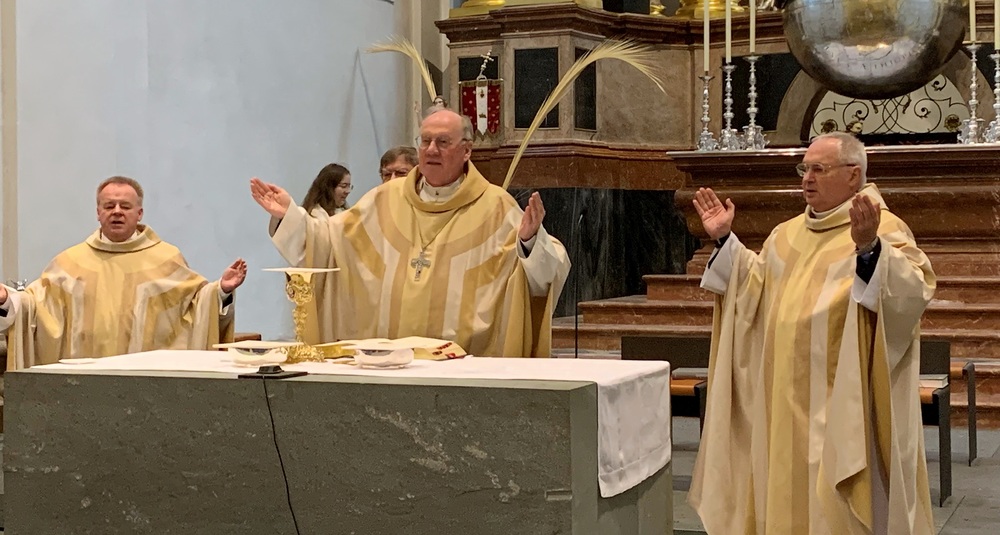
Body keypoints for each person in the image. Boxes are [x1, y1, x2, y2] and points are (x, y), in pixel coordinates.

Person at [688, 132, 936, 534]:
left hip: (841, 408)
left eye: (819, 169)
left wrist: (870, 249)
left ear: (853, 176)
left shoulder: (881, 228)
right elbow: (754, 289)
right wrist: (724, 240)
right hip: (782, 400)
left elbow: (912, 292)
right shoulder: (785, 234)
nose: (806, 178)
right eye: (804, 168)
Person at [252, 108, 570, 356]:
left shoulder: (495, 208)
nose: (431, 150)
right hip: (389, 365)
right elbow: (330, 242)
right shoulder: (384, 200)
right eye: (425, 141)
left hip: (463, 370)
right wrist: (290, 217)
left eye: (443, 142)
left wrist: (529, 241)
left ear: (467, 150)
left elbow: (546, 274)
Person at [0, 176, 247, 369]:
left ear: (139, 213)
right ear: (98, 213)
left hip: (145, 386)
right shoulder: (70, 263)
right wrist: (7, 299)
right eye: (109, 205)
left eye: (125, 206)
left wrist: (221, 291)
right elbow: (35, 305)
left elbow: (196, 305)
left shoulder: (165, 260)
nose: (117, 211)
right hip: (83, 388)